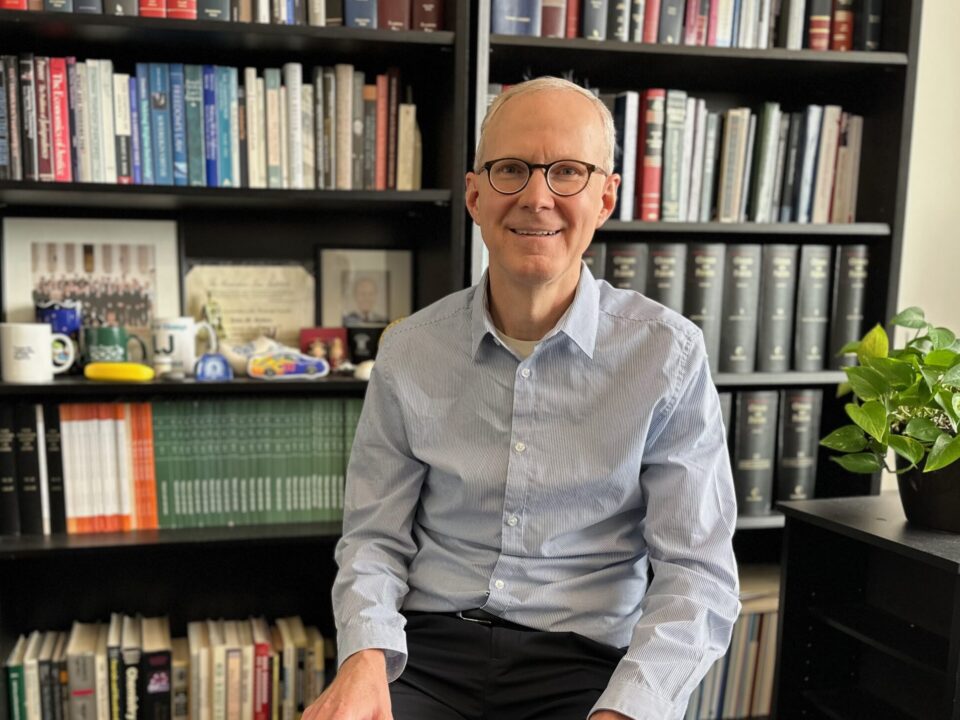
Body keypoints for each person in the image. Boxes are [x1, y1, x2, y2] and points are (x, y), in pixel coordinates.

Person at [307, 76, 740, 720]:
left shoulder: (667, 355)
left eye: (568, 172)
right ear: (476, 196)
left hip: (588, 667)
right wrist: (363, 659)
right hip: (424, 656)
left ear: (605, 197)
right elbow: (374, 539)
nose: (536, 197)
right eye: (510, 169)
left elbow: (697, 573)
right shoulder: (408, 350)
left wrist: (629, 709)